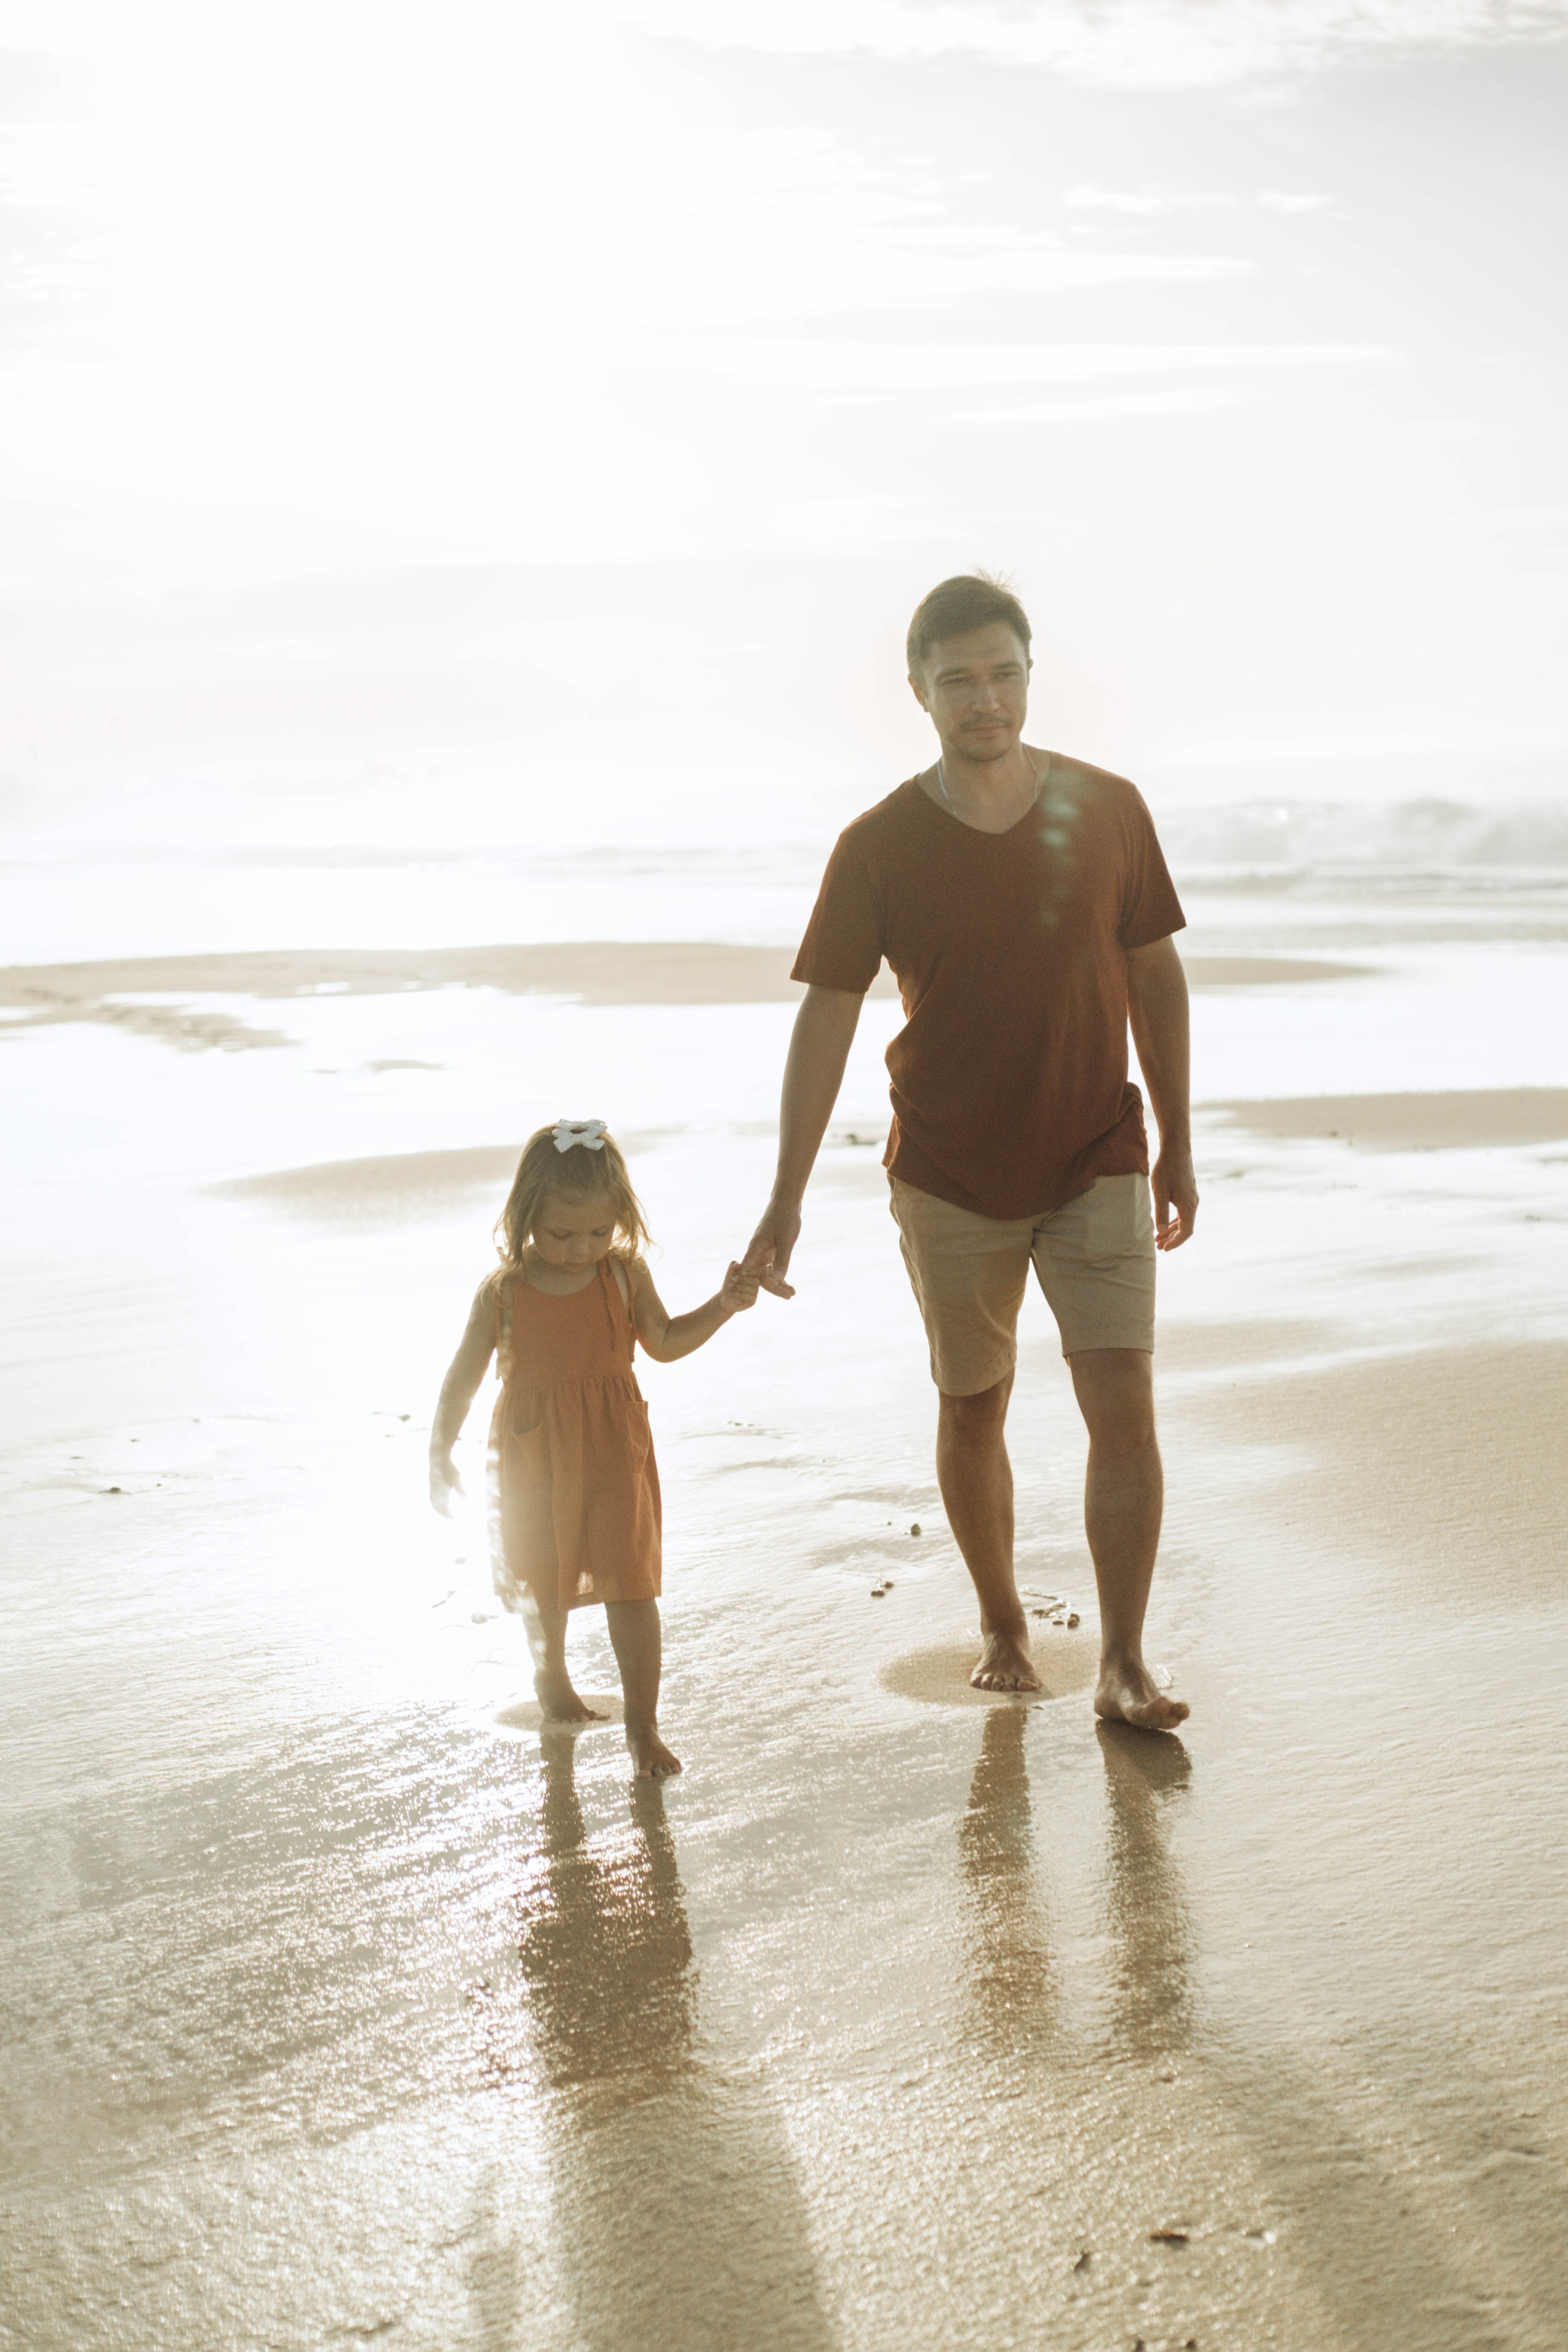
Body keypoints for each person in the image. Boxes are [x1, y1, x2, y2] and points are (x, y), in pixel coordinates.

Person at [744, 574, 1196, 1731]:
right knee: (972, 1407)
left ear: (1031, 674)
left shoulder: (1108, 810)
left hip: (1099, 1147)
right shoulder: (879, 846)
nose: (984, 699)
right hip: (948, 1172)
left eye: (1003, 674)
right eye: (959, 681)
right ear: (919, 693)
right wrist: (785, 1195)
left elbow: (1155, 974)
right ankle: (1002, 1619)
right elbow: (827, 1016)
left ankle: (1125, 1662)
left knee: (1125, 1405)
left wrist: (1179, 1143)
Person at [431, 1118, 759, 1779]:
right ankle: (550, 1678)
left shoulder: (622, 1278)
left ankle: (643, 1729)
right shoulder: (504, 1294)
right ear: (525, 1217)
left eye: (597, 1232)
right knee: (542, 1576)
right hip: (531, 1455)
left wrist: (723, 1306)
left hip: (614, 1451)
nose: (581, 1249)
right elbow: (464, 1374)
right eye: (560, 1234)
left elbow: (663, 1342)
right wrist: (440, 1449)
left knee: (631, 1583)